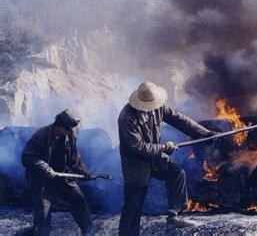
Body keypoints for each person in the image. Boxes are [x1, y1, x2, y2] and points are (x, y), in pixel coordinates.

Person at [118, 81, 217, 236]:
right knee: (133, 206)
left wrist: (204, 133)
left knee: (177, 174)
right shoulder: (126, 118)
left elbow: (179, 119)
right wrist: (165, 148)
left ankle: (173, 217)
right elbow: (138, 148)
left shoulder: (158, 107)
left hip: (155, 157)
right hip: (136, 165)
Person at [21, 109, 94, 236]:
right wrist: (45, 168)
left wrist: (84, 172)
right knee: (43, 212)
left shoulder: (70, 135)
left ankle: (88, 232)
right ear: (59, 126)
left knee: (78, 200)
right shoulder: (41, 136)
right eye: (68, 129)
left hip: (61, 175)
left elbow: (74, 158)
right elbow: (27, 157)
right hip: (42, 179)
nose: (71, 132)